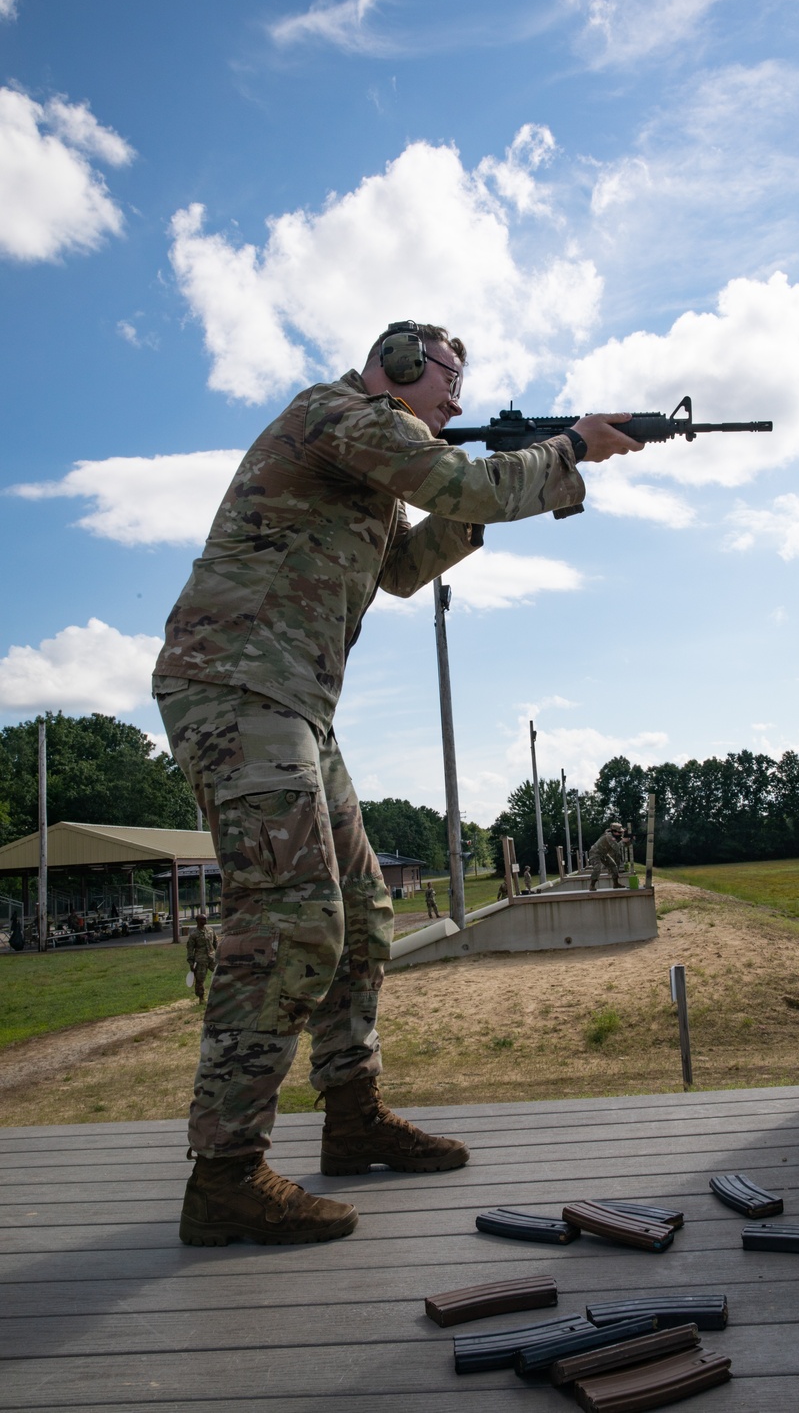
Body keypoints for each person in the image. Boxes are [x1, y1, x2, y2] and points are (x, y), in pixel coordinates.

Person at [152, 318, 643, 1248]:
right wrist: (566, 445)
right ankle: (224, 1175)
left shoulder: (371, 467)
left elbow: (408, 571)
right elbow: (463, 482)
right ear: (398, 368)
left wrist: (512, 480)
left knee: (365, 915)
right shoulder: (342, 415)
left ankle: (351, 1117)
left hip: (289, 698)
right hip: (236, 684)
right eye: (446, 381)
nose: (454, 401)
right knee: (292, 917)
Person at [185, 912, 218, 1003]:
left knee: (220, 973)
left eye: (205, 918)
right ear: (198, 921)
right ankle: (201, 998)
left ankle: (219, 993)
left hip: (212, 958)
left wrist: (220, 954)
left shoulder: (210, 930)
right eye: (203, 919)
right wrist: (191, 963)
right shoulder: (194, 934)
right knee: (200, 980)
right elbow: (190, 949)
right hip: (200, 960)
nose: (205, 920)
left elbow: (216, 943)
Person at [588, 822, 625, 891]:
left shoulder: (613, 837)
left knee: (613, 866)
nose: (621, 834)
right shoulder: (609, 836)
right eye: (619, 832)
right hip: (595, 853)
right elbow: (616, 848)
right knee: (597, 867)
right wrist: (623, 841)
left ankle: (616, 884)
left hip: (603, 854)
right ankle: (592, 885)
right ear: (614, 832)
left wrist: (628, 841)